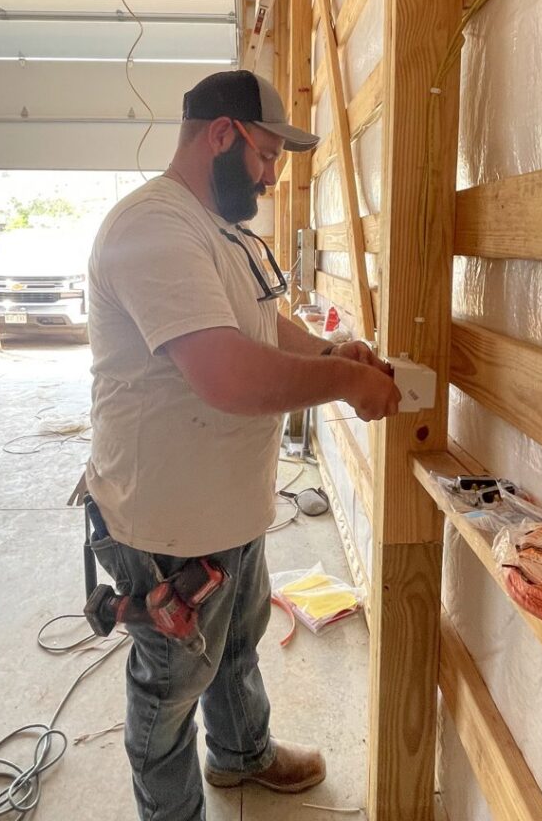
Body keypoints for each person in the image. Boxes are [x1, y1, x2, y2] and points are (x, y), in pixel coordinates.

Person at [85, 69, 400, 820]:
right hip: (165, 520)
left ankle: (241, 755)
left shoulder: (222, 230)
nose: (266, 178)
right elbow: (226, 374)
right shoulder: (152, 228)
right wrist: (347, 390)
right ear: (221, 135)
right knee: (169, 687)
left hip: (226, 506)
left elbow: (261, 328)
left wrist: (332, 357)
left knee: (235, 644)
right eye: (263, 158)